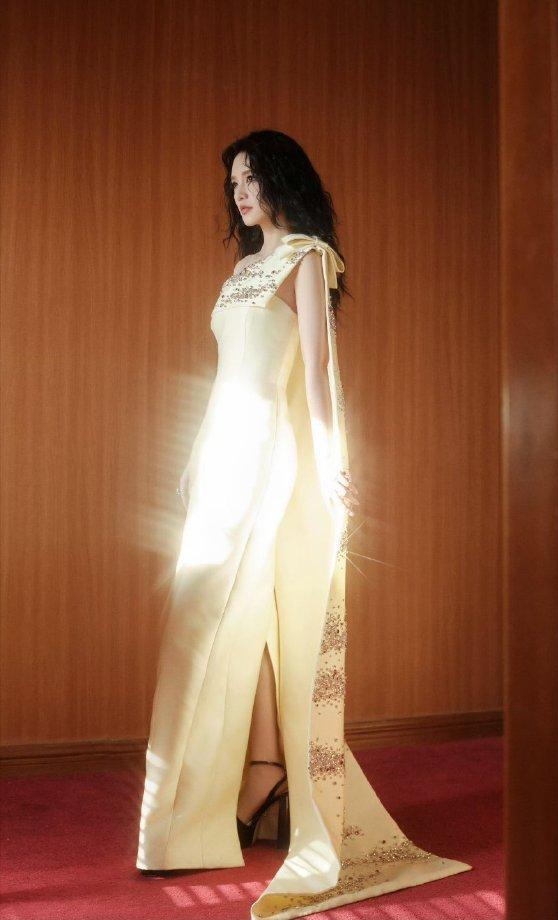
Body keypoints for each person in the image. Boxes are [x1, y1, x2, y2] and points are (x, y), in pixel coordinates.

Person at [136, 129, 472, 918]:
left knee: (226, 616)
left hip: (266, 455)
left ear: (282, 180)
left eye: (251, 177)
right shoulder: (241, 271)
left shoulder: (306, 258)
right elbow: (226, 377)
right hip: (222, 454)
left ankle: (248, 787)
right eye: (233, 182)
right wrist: (194, 457)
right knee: (223, 619)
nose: (240, 192)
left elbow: (316, 369)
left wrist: (331, 460)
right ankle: (264, 770)